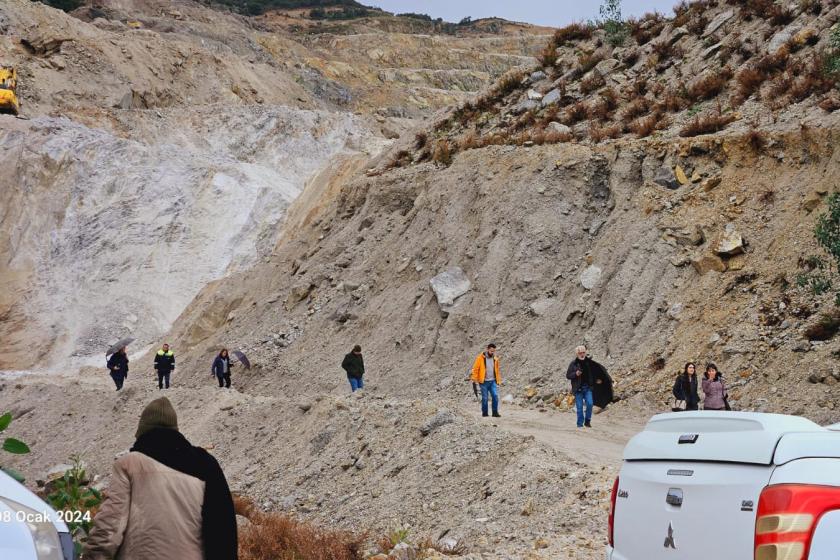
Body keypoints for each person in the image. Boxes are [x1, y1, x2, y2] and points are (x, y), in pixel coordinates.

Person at [84, 397, 237, 560]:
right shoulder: (206, 463)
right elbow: (223, 529)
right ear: (175, 430)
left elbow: (108, 528)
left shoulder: (128, 464)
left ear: (141, 432)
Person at [565, 345, 613, 428]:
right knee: (579, 408)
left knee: (590, 404)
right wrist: (575, 374)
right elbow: (568, 375)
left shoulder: (589, 363)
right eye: (580, 353)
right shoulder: (573, 364)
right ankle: (580, 424)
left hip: (588, 388)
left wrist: (598, 380)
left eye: (583, 352)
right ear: (577, 354)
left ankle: (587, 421)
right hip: (578, 389)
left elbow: (596, 372)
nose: (582, 354)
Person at [470, 343, 501, 418]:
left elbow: (496, 370)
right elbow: (476, 369)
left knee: (495, 396)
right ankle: (485, 413)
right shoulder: (480, 358)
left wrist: (498, 380)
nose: (492, 353)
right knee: (485, 398)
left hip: (493, 381)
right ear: (487, 349)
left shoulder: (495, 359)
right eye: (491, 351)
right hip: (483, 382)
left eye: (493, 351)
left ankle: (495, 412)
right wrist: (474, 378)